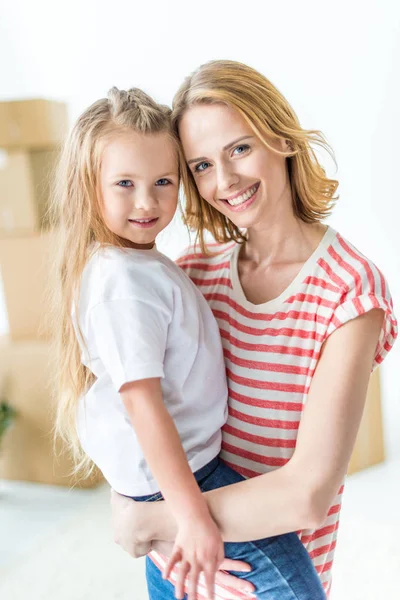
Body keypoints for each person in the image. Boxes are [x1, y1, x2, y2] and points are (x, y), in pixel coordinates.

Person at [110, 60, 398, 599]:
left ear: (280, 137)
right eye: (200, 165)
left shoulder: (350, 292)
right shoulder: (193, 271)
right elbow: (137, 406)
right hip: (179, 574)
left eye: (240, 149)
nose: (225, 181)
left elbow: (307, 495)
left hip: (271, 582)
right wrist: (128, 498)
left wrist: (152, 520)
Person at [50, 86, 327, 600]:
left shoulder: (142, 266)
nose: (147, 201)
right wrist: (191, 517)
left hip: (182, 479)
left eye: (163, 181)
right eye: (124, 184)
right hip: (191, 480)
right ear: (87, 188)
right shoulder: (123, 282)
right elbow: (141, 404)